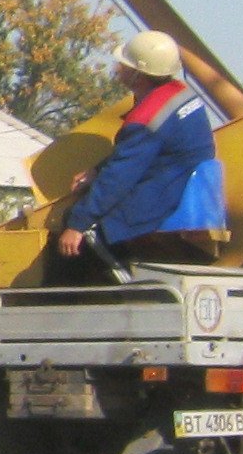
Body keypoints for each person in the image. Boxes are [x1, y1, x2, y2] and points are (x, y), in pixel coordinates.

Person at [52, 30, 231, 282]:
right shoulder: (180, 93)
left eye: (125, 64)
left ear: (139, 74)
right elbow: (138, 154)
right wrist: (97, 171)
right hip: (186, 185)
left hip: (165, 195)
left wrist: (77, 225)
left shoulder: (146, 117)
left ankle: (116, 292)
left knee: (81, 229)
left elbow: (119, 179)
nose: (119, 68)